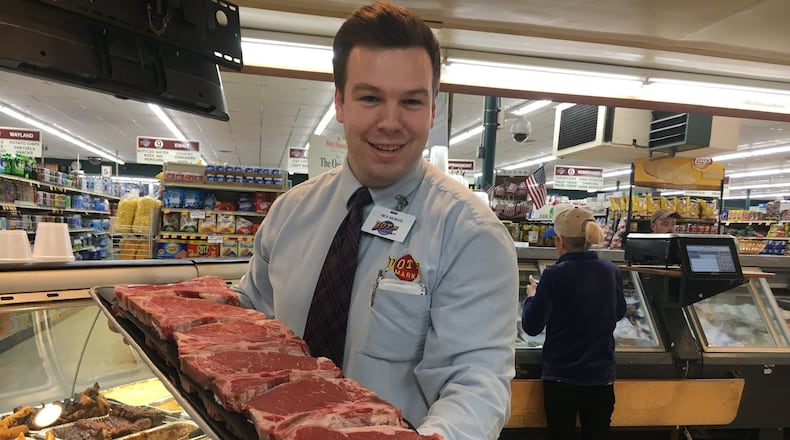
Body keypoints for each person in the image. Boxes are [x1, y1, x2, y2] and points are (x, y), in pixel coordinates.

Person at [233, 2, 519, 439]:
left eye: (411, 101)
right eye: (370, 98)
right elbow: (251, 323)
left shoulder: (470, 234)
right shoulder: (291, 212)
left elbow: (475, 383)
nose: (390, 122)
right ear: (340, 103)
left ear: (432, 111)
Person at [522, 205, 625, 440]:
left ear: (560, 241)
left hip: (562, 378)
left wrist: (531, 297)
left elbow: (532, 325)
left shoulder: (553, 274)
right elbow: (618, 312)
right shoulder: (611, 270)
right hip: (601, 377)